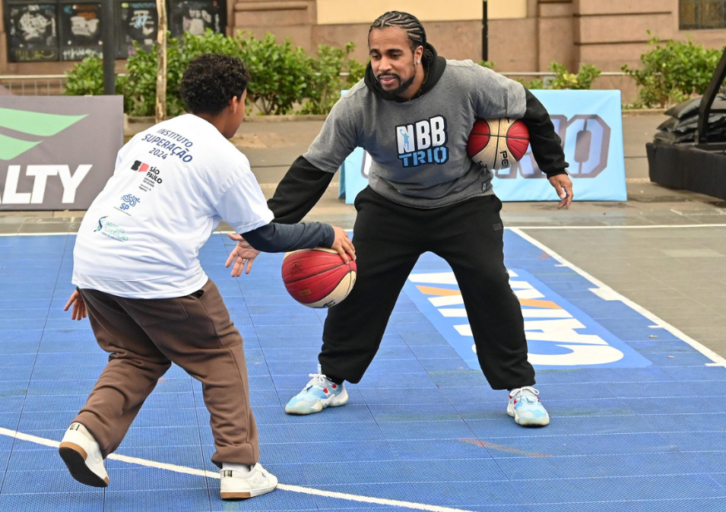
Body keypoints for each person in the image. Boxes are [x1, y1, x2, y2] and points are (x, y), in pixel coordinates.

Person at [228, 11, 573, 427]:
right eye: (375, 55)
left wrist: (553, 165)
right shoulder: (357, 105)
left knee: (490, 283)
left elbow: (528, 105)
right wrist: (262, 230)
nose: (382, 65)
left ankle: (519, 388)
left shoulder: (464, 81)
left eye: (393, 54)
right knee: (359, 287)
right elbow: (313, 170)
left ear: (419, 53)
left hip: (464, 202)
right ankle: (331, 380)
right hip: (391, 204)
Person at [59, 54, 354, 500]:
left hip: (94, 257)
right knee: (220, 354)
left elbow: (118, 201)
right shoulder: (224, 157)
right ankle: (239, 466)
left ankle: (87, 434)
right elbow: (265, 234)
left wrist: (90, 280)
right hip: (154, 270)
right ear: (236, 101)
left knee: (137, 354)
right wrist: (326, 231)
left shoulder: (147, 137)